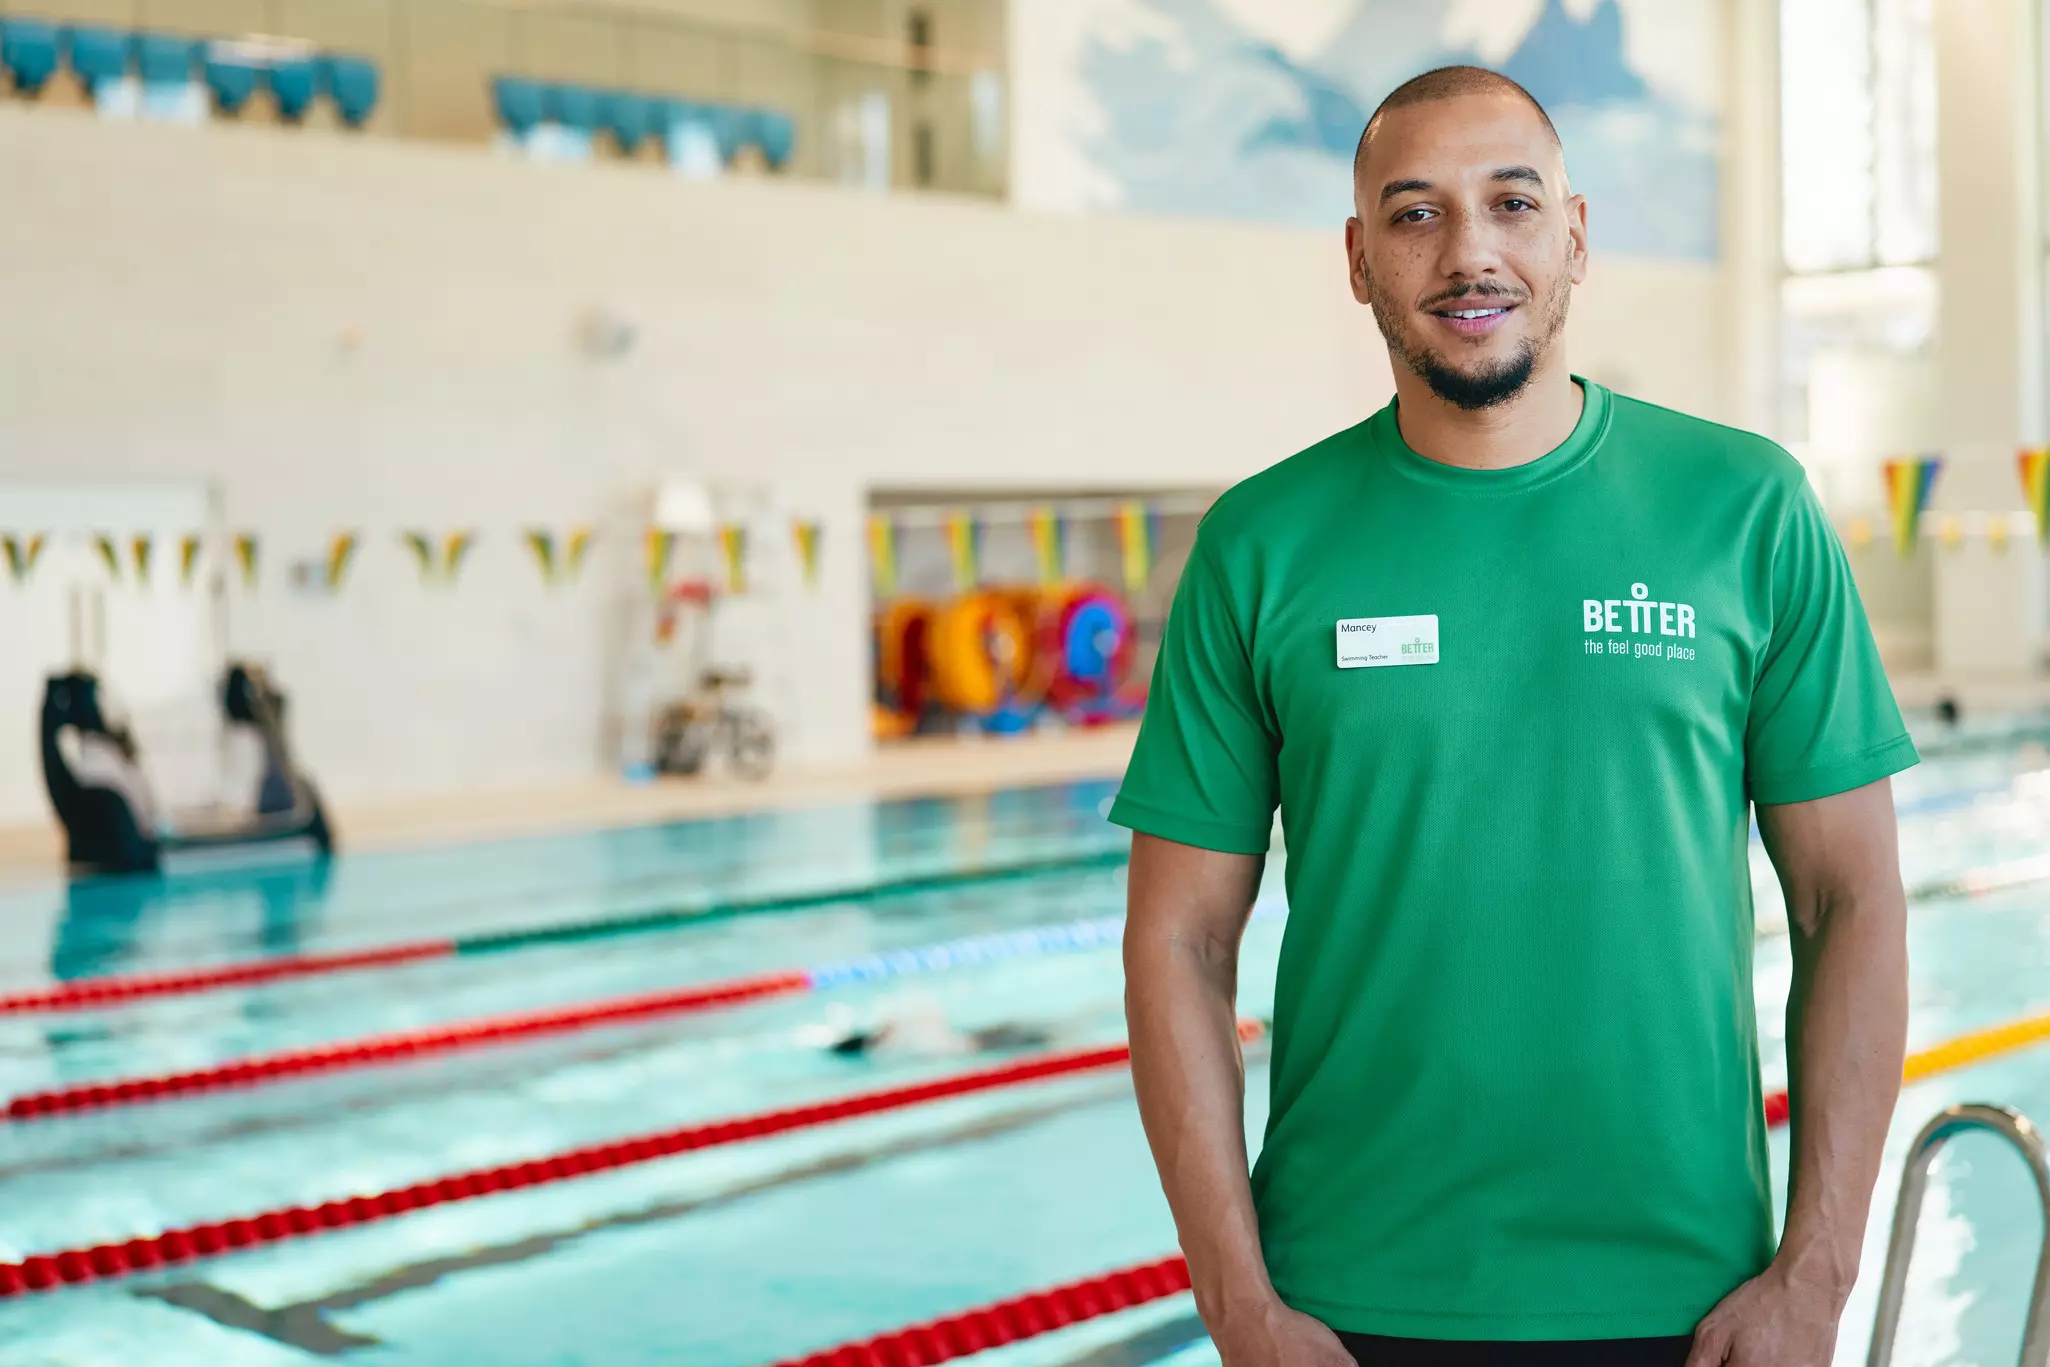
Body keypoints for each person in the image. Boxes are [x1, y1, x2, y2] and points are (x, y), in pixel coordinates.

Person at [1114, 66, 1914, 1367]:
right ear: (1359, 257)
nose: (1468, 250)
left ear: (1575, 237)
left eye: (1511, 203)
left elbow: (1852, 902)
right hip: (1341, 1302)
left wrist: (1812, 1278)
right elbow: (1178, 942)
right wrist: (1239, 1304)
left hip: (1687, 1299)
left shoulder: (1744, 509)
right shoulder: (1259, 544)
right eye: (1415, 212)